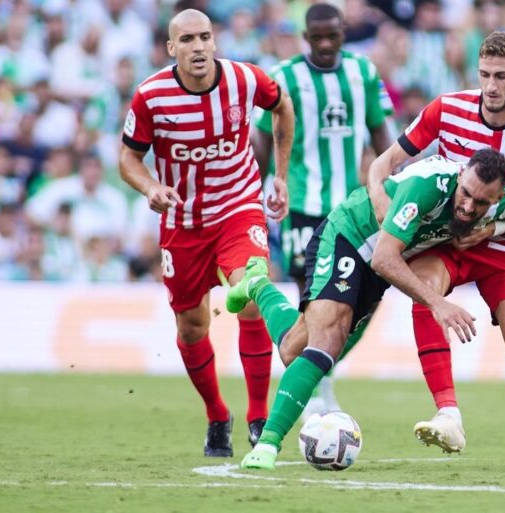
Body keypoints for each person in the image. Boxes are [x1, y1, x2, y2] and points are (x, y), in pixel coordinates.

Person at [226, 149, 505, 470]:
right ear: (460, 174)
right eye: (465, 193)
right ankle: (267, 444)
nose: (468, 207)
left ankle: (257, 285)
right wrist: (437, 303)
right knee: (326, 343)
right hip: (349, 235)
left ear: (499, 197)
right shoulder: (428, 186)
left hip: (381, 266)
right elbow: (384, 258)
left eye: (481, 202)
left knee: (293, 349)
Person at [365, 31, 505, 471]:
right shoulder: (446, 109)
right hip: (447, 238)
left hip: (502, 244)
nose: (491, 86)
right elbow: (384, 162)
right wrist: (379, 195)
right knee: (423, 288)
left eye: (501, 76)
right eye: (484, 74)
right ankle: (448, 414)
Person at [118, 9, 295, 457]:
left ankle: (259, 416)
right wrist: (151, 187)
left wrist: (280, 175)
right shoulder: (151, 96)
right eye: (187, 40)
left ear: (214, 42)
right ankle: (218, 415)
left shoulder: (245, 79)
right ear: (171, 48)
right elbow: (128, 159)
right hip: (183, 223)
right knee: (193, 326)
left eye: (204, 37)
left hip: (238, 207)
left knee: (251, 294)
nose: (198, 47)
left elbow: (283, 106)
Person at [252, 3, 393, 415]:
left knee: (368, 299)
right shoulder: (283, 76)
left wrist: (394, 187)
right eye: (318, 37)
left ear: (344, 31)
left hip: (349, 210)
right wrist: (253, 193)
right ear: (306, 37)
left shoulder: (363, 72)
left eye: (333, 35)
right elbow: (262, 138)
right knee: (312, 301)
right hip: (303, 204)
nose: (326, 44)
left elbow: (382, 134)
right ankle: (314, 389)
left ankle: (316, 372)